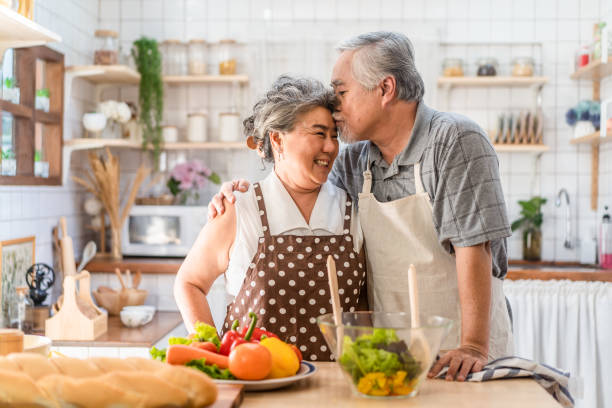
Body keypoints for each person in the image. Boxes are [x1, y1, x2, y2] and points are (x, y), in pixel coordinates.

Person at [208, 32, 514, 381]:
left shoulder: (454, 139)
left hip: (461, 353)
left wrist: (473, 345)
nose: (335, 110)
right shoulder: (353, 161)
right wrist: (238, 194)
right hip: (391, 355)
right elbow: (299, 183)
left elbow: (474, 243)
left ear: (385, 89)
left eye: (341, 93)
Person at [174, 75, 367, 362]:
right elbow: (189, 283)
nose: (330, 147)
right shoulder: (240, 209)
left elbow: (361, 303)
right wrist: (212, 353)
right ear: (277, 139)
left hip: (336, 386)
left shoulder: (351, 209)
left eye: (334, 136)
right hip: (256, 383)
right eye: (318, 133)